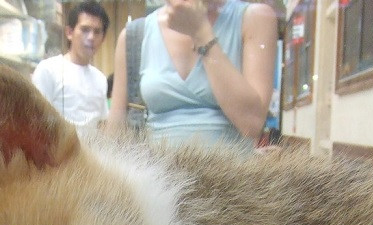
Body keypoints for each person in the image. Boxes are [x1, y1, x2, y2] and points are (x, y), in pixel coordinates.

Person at [107, 0, 278, 148]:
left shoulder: (254, 18)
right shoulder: (135, 35)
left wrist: (201, 33)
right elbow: (115, 134)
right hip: (158, 178)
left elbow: (252, 124)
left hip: (231, 179)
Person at [31, 0, 110, 136]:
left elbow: (102, 124)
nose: (91, 37)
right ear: (69, 32)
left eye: (97, 32)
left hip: (91, 153)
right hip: (58, 153)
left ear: (103, 38)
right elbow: (35, 120)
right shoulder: (48, 69)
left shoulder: (101, 79)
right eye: (85, 29)